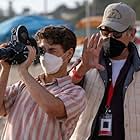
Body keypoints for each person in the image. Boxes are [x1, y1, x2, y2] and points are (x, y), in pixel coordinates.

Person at [0, 25, 86, 140]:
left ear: (69, 54)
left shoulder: (75, 92)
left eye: (51, 50)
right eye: (42, 50)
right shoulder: (23, 86)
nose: (45, 55)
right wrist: (5, 69)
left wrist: (23, 71)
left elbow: (52, 109)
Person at [69, 2, 138, 140]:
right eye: (105, 32)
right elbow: (65, 88)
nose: (109, 38)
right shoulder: (86, 62)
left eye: (117, 33)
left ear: (132, 34)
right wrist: (83, 68)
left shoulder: (138, 69)